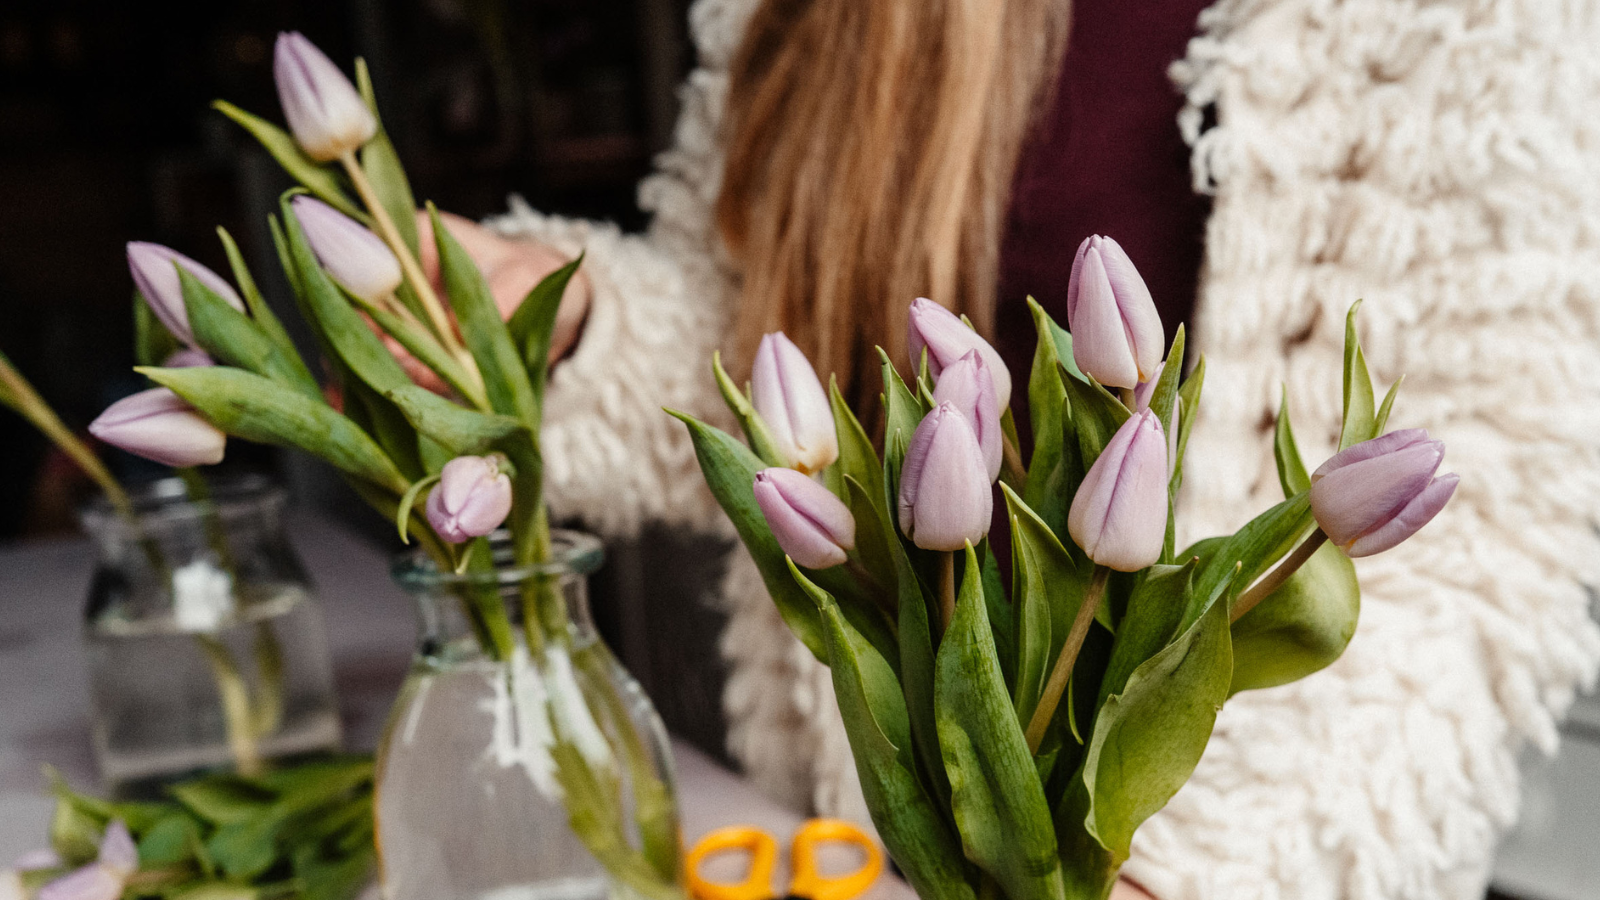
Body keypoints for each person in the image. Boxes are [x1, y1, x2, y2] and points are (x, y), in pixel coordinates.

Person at [419, 0, 1600, 897]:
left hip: (1249, 856)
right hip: (857, 841)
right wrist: (567, 322)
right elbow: (765, 356)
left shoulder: (1474, 28)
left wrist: (1163, 874)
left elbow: (1490, 549)